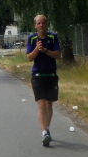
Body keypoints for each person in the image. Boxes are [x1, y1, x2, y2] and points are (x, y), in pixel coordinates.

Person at [26, 14, 62, 147]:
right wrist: (37, 48)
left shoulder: (53, 37)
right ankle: (44, 133)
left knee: (49, 104)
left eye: (43, 23)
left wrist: (45, 50)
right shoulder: (32, 38)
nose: (41, 25)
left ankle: (47, 128)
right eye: (39, 23)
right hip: (37, 75)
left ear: (46, 24)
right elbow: (29, 58)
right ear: (35, 25)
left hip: (51, 74)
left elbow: (58, 55)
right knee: (41, 103)